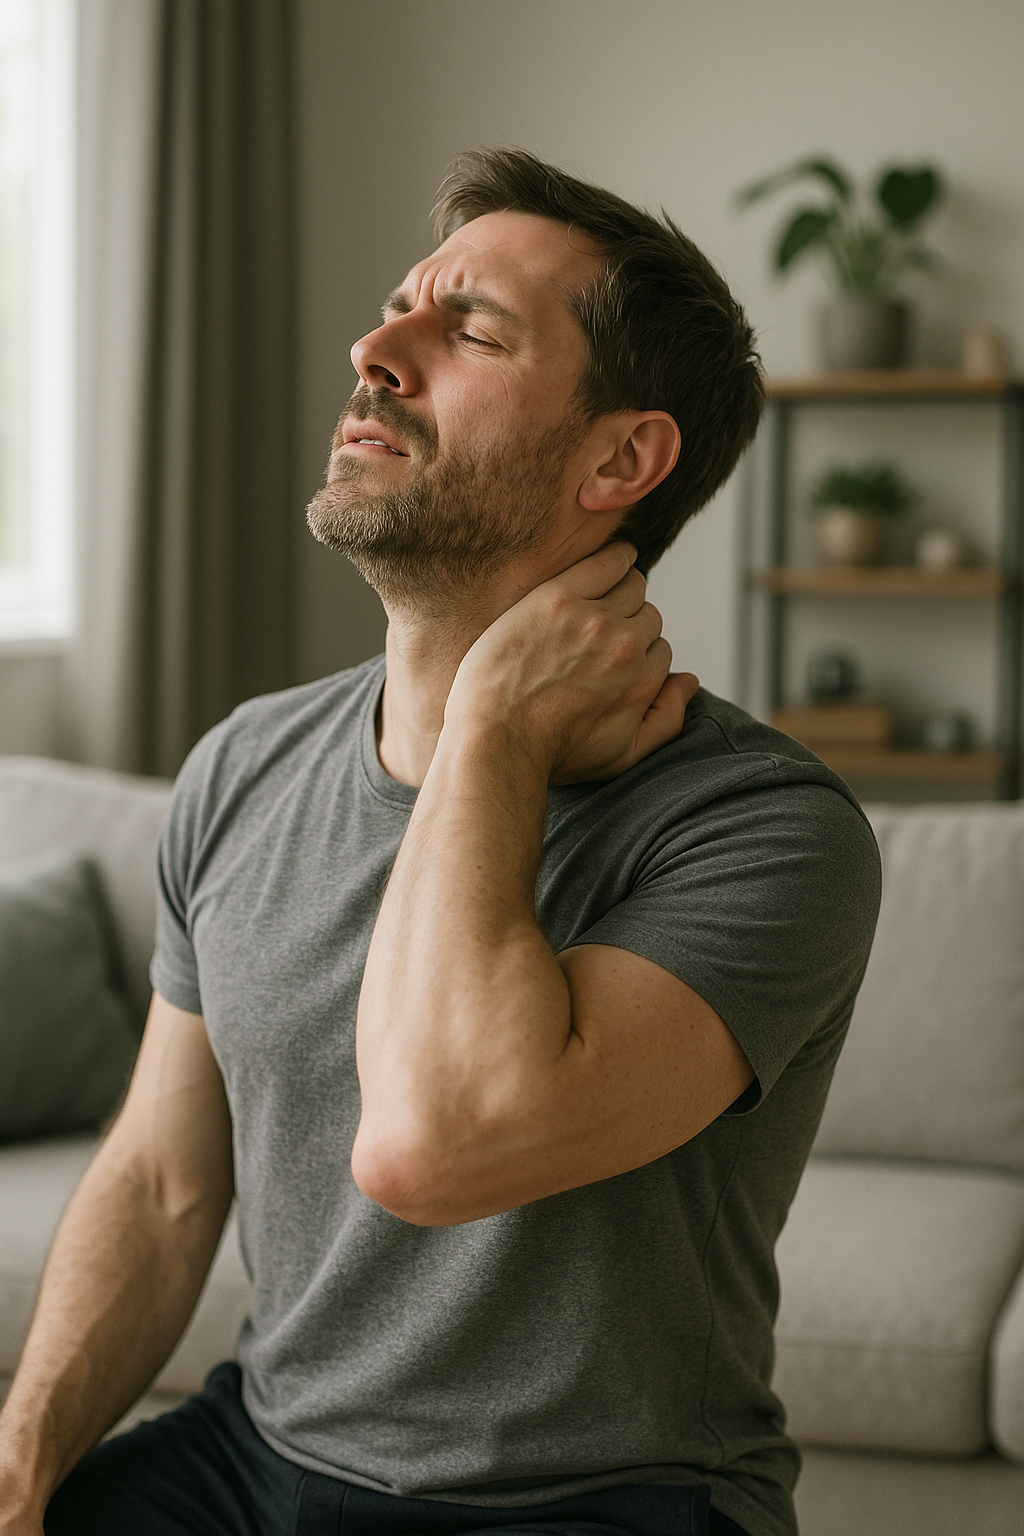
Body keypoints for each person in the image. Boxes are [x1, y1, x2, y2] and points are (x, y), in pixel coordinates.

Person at [0, 149, 880, 1536]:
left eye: (467, 329)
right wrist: (22, 1460)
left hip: (597, 1499)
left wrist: (495, 730)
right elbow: (165, 1184)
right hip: (257, 1460)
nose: (374, 346)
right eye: (399, 305)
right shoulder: (243, 765)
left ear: (622, 460)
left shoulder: (762, 830)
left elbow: (437, 1144)